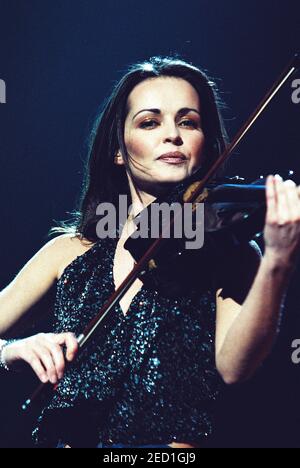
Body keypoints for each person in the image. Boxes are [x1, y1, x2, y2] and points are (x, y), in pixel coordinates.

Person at [0, 55, 300, 448]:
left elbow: (234, 368)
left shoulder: (230, 252)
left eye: (188, 122)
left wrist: (277, 259)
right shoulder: (66, 252)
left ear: (205, 145)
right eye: (149, 122)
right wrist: (15, 350)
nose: (172, 135)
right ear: (119, 151)